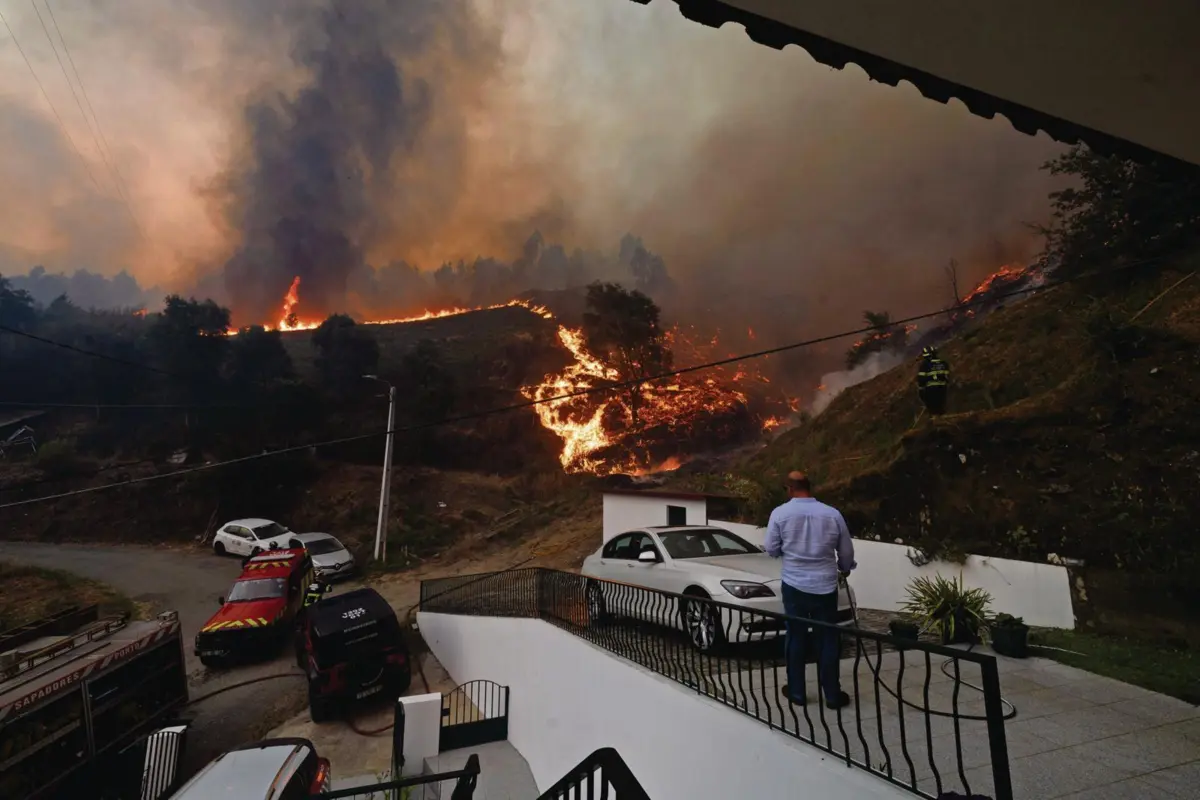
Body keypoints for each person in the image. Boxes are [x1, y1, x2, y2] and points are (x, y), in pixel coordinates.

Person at [764, 471, 856, 709]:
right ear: (809, 487)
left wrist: (787, 551)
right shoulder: (832, 514)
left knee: (796, 637)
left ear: (789, 489)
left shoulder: (780, 513)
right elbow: (846, 551)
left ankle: (797, 693)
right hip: (825, 586)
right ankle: (832, 695)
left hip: (794, 585)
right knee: (827, 639)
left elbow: (771, 548)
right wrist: (845, 568)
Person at [916, 346, 951, 415]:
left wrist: (921, 391)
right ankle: (942, 417)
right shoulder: (944, 363)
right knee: (941, 407)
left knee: (932, 409)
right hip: (942, 389)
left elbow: (921, 380)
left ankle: (935, 418)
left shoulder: (925, 365)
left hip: (931, 390)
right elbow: (947, 377)